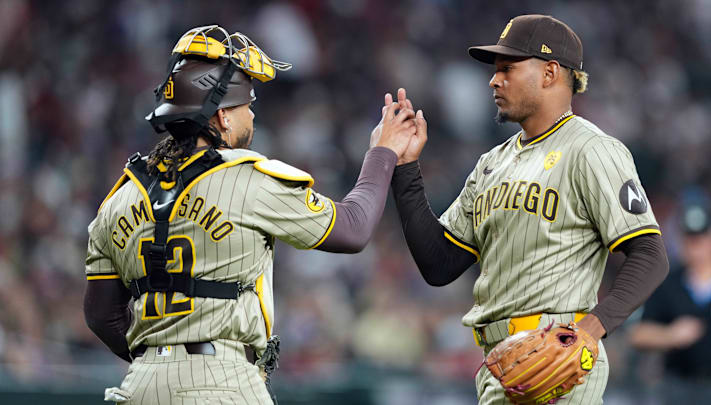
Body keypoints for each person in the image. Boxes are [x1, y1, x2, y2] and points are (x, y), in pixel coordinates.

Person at [83, 25, 416, 405]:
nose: (252, 117)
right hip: (222, 380)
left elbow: (101, 316)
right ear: (223, 116)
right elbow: (354, 229)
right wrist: (383, 152)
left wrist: (160, 358)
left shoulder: (118, 198)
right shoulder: (246, 180)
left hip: (139, 386)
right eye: (247, 106)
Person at [389, 15, 669, 404]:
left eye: (508, 68)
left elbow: (650, 255)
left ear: (551, 72)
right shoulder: (491, 163)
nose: (494, 80)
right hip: (497, 364)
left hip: (558, 362)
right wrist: (405, 169)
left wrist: (591, 330)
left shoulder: (592, 150)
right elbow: (439, 264)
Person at [630, 201, 711, 403]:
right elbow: (637, 334)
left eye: (701, 239)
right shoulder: (669, 284)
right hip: (679, 387)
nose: (696, 248)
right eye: (690, 240)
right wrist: (670, 335)